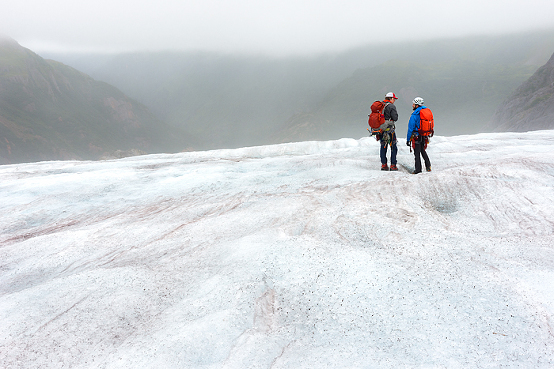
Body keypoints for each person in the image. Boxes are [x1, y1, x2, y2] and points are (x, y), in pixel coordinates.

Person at [406, 97, 432, 174]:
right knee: (422, 150)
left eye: (413, 104)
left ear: (417, 105)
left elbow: (410, 128)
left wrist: (408, 140)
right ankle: (428, 166)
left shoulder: (415, 114)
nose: (412, 105)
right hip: (424, 135)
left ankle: (418, 170)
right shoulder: (426, 111)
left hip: (416, 135)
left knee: (417, 153)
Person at [378, 92, 399, 171]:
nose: (394, 100)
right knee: (393, 147)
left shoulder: (381, 105)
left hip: (381, 130)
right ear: (391, 98)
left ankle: (384, 165)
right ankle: (393, 165)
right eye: (394, 99)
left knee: (383, 146)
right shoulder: (391, 106)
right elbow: (395, 118)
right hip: (390, 130)